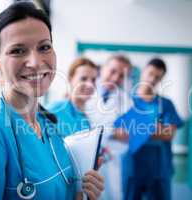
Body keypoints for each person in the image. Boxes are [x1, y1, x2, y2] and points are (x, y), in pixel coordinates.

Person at [0, 2, 104, 200]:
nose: (36, 62)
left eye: (44, 47)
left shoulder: (50, 127)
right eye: (18, 51)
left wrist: (85, 194)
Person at [114, 58, 183, 200]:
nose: (152, 79)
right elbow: (119, 133)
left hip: (159, 168)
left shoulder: (166, 104)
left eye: (157, 77)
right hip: (131, 167)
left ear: (161, 79)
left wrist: (135, 126)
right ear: (143, 71)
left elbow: (169, 134)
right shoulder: (125, 101)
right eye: (150, 73)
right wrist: (155, 127)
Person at [85, 55, 133, 200]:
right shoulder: (85, 90)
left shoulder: (127, 101)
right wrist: (112, 130)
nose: (115, 78)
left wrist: (107, 131)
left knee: (113, 193)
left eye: (121, 75)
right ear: (102, 69)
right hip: (85, 156)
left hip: (111, 158)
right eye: (113, 71)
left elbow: (131, 134)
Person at [47, 57, 98, 137]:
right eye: (83, 79)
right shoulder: (55, 110)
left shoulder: (85, 119)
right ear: (70, 79)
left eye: (93, 80)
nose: (90, 85)